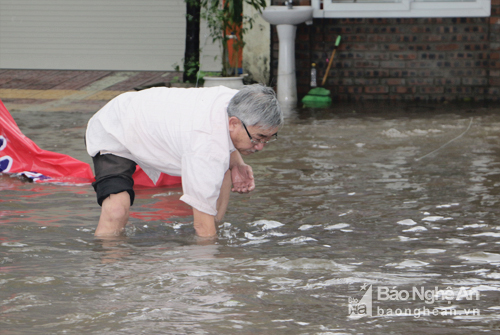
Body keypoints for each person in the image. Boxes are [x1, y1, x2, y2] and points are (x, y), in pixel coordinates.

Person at [85, 84, 283, 238]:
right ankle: (108, 275)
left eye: (267, 139)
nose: (260, 147)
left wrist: (236, 163)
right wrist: (214, 264)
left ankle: (218, 228)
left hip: (150, 122)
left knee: (222, 169)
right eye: (257, 139)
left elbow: (223, 139)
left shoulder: (239, 101)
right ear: (233, 123)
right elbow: (201, 224)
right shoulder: (205, 146)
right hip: (116, 128)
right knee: (116, 211)